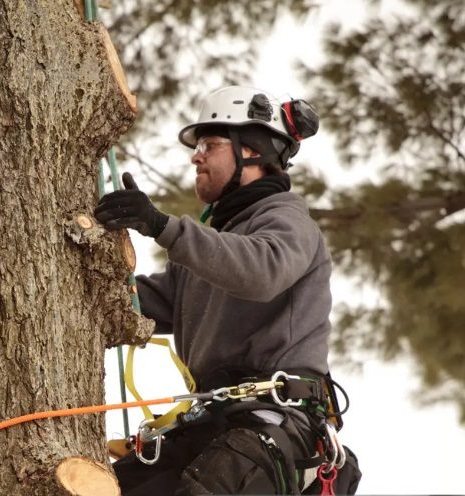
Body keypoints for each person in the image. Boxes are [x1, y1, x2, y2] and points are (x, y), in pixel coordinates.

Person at [94, 86, 360, 495]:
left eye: (209, 144)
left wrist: (162, 226)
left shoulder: (287, 219)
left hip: (271, 423)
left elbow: (262, 270)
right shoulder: (214, 251)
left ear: (251, 152)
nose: (195, 155)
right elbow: (137, 305)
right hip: (214, 425)